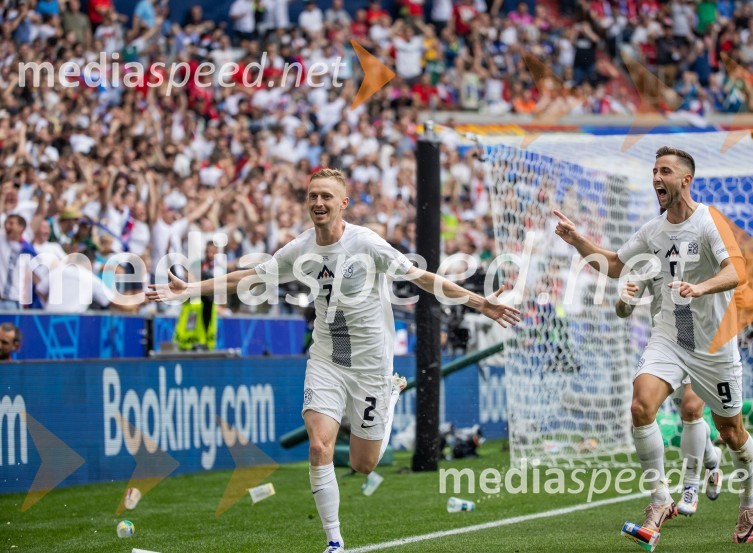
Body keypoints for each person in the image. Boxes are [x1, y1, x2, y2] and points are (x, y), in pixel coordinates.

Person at [148, 168, 521, 553]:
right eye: (313, 196)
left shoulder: (367, 244)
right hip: (326, 357)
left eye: (327, 196)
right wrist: (192, 288)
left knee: (364, 464)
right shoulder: (301, 248)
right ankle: (334, 540)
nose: (319, 203)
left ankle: (390, 395)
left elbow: (423, 278)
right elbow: (252, 277)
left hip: (371, 365)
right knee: (319, 446)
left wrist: (480, 303)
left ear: (343, 203)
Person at [554, 147, 753, 544]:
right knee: (640, 404)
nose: (656, 178)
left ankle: (749, 496)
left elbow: (738, 270)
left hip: (713, 342)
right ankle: (660, 496)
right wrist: (578, 240)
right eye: (653, 171)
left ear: (685, 179)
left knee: (731, 430)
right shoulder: (652, 232)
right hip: (669, 336)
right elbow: (614, 264)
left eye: (664, 171)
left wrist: (699, 287)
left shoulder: (708, 221)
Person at [616, 273, 723, 516]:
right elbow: (623, 310)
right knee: (684, 415)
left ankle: (690, 487)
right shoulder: (653, 249)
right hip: (667, 346)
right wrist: (624, 300)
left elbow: (730, 276)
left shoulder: (704, 242)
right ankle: (712, 458)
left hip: (704, 341)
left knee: (691, 409)